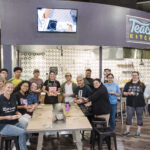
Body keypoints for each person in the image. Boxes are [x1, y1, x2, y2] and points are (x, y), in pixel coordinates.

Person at [0, 81, 28, 150]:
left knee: (29, 130)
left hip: (14, 122)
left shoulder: (13, 97)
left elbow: (15, 110)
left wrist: (18, 113)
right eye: (8, 87)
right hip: (3, 125)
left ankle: (17, 145)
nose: (10, 89)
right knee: (22, 132)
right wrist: (7, 117)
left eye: (12, 88)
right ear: (4, 88)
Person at [123, 71, 145, 137]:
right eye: (133, 75)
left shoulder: (142, 84)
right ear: (131, 76)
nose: (134, 76)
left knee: (139, 117)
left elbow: (146, 94)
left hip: (140, 103)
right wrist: (128, 93)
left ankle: (138, 131)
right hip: (130, 103)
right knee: (128, 117)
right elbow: (124, 93)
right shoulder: (128, 84)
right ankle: (127, 131)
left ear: (138, 76)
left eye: (135, 75)